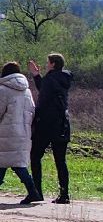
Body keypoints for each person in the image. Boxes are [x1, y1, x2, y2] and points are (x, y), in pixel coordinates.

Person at [26, 54, 73, 205]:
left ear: (53, 64)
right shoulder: (63, 79)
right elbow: (45, 88)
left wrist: (34, 118)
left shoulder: (50, 79)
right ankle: (64, 194)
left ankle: (37, 192)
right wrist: (37, 75)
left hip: (46, 125)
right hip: (62, 125)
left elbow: (43, 98)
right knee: (61, 161)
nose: (46, 65)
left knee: (35, 156)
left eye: (48, 62)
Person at [0, 63, 41, 204]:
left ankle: (33, 192)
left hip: (5, 132)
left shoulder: (3, 90)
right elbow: (32, 111)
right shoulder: (27, 91)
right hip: (23, 132)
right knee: (17, 163)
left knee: (4, 162)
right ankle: (33, 192)